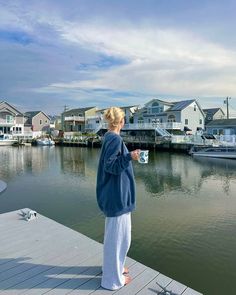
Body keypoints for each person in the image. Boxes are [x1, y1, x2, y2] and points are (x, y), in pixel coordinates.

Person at [96, 107, 140, 290]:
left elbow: (111, 164)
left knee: (119, 237)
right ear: (121, 122)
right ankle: (112, 280)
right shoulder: (115, 138)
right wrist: (130, 156)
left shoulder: (109, 137)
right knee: (118, 239)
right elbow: (111, 166)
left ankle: (115, 267)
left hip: (115, 196)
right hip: (117, 197)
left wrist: (128, 156)